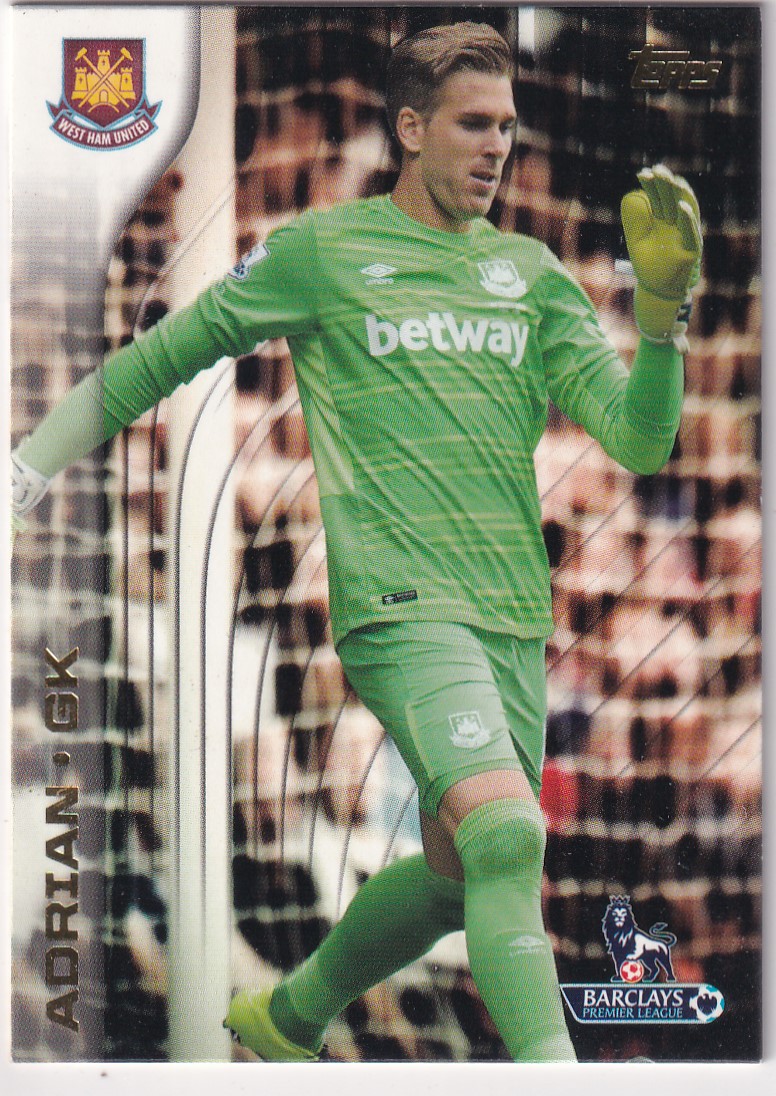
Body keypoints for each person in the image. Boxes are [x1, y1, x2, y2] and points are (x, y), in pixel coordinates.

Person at [11, 22, 702, 1064]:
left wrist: (659, 320)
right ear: (410, 127)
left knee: (462, 876)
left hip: (513, 618)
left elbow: (641, 441)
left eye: (506, 126)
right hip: (399, 609)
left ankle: (290, 1017)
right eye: (473, 123)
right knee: (507, 833)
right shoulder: (323, 252)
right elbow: (159, 357)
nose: (497, 145)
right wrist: (24, 470)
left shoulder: (531, 273)